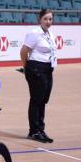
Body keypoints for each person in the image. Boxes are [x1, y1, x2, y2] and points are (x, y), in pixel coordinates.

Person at [20, 9, 57, 143]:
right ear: (40, 19)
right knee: (36, 100)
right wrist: (26, 68)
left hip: (47, 69)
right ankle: (34, 131)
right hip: (36, 68)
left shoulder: (49, 33)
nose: (48, 22)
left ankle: (40, 129)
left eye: (50, 19)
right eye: (46, 19)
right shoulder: (35, 33)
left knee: (43, 100)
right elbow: (24, 51)